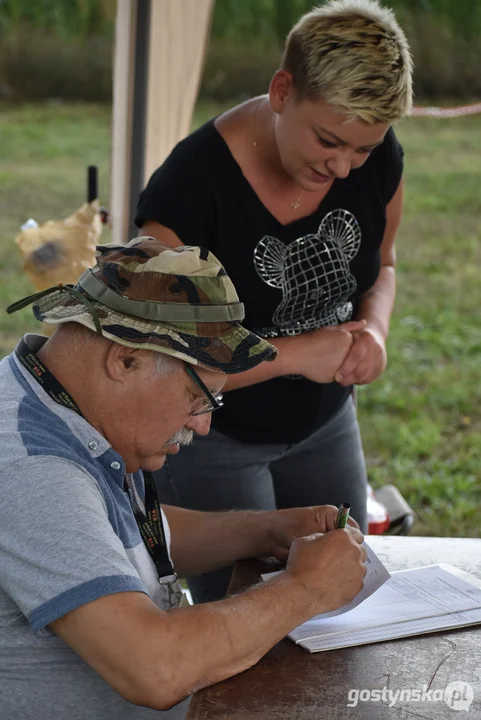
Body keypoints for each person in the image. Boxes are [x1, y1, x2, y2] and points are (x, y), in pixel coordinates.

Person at [0, 238, 367, 720]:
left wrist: (268, 530)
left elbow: (114, 540)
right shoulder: (34, 468)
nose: (202, 424)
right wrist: (305, 590)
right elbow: (155, 668)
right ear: (123, 360)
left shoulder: (53, 399)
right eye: (201, 398)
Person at [135, 0, 413, 603]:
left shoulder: (377, 158)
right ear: (282, 90)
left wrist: (375, 330)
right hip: (215, 442)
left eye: (363, 150)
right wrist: (294, 354)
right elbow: (157, 365)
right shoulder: (190, 192)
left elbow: (382, 266)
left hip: (325, 423)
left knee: (344, 599)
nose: (343, 168)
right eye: (329, 141)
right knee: (244, 618)